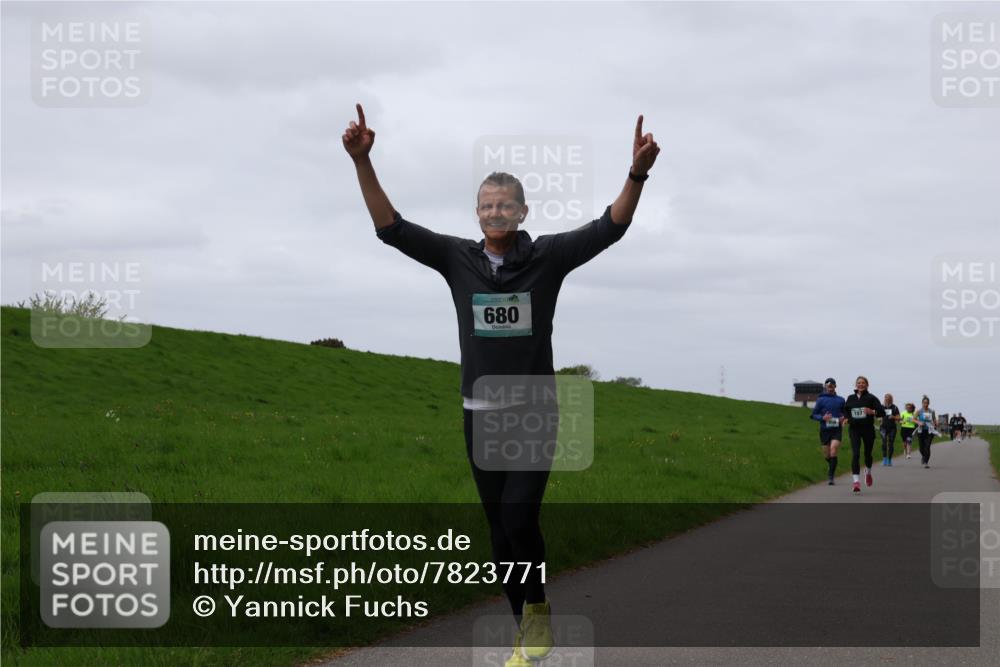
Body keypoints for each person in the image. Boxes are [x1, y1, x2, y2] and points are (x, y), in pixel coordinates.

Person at [343, 103, 659, 666]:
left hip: (534, 411)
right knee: (498, 530)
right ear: (477, 213)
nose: (495, 212)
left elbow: (611, 226)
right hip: (478, 412)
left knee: (519, 518)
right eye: (487, 205)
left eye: (505, 205)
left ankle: (536, 616)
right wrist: (363, 162)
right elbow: (389, 228)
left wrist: (636, 174)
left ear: (521, 211)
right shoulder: (454, 258)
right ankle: (527, 631)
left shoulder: (548, 258)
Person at [843, 376, 886, 494]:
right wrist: (846, 418)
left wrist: (872, 411)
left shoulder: (871, 398)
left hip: (868, 429)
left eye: (863, 383)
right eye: (858, 383)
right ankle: (856, 482)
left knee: (867, 454)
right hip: (854, 429)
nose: (860, 385)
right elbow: (845, 410)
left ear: (867, 385)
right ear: (856, 385)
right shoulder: (850, 398)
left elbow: (882, 412)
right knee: (856, 454)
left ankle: (868, 471)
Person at [810, 378, 845, 485]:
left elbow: (845, 413)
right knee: (827, 455)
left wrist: (843, 418)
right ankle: (832, 465)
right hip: (825, 430)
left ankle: (831, 476)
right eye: (828, 386)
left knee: (833, 449)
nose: (830, 387)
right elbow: (813, 415)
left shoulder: (841, 399)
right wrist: (823, 418)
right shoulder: (821, 400)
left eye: (832, 385)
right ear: (825, 387)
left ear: (835, 386)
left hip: (836, 429)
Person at [915, 395, 938, 468]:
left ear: (929, 403)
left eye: (927, 403)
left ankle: (926, 462)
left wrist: (935, 423)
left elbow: (934, 420)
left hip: (929, 431)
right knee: (921, 447)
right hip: (921, 430)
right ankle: (924, 456)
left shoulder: (932, 411)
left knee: (927, 446)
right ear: (922, 403)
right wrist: (919, 422)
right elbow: (913, 419)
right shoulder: (919, 411)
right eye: (924, 403)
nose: (925, 404)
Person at [880, 393, 900, 466]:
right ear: (884, 398)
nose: (887, 399)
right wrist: (879, 418)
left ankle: (889, 460)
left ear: (891, 399)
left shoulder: (894, 407)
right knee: (884, 443)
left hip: (892, 428)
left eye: (888, 397)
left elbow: (899, 417)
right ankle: (884, 458)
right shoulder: (881, 407)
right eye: (886, 397)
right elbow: (876, 415)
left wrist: (894, 417)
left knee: (891, 443)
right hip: (883, 427)